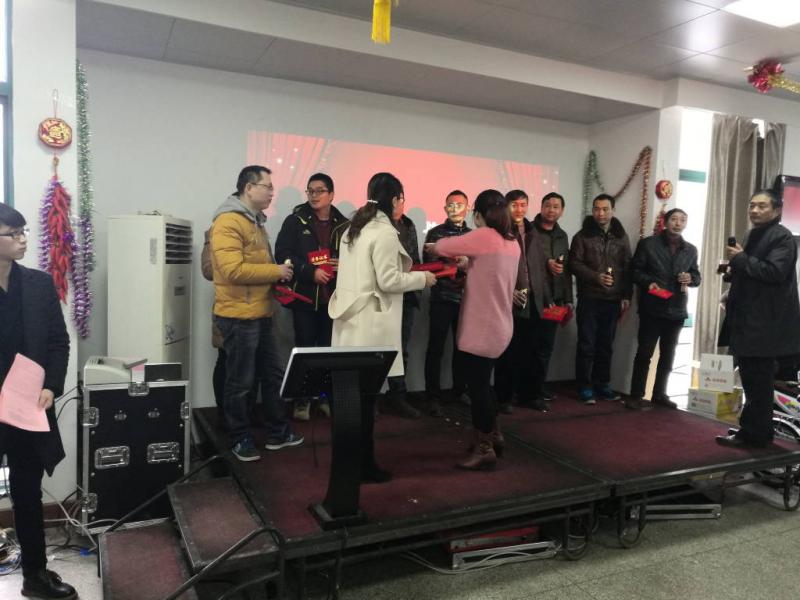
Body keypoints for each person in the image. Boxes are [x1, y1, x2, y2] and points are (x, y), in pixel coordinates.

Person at [329, 172, 436, 482]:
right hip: (372, 326)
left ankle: (354, 461)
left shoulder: (354, 227)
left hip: (351, 322)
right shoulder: (384, 232)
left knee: (354, 401)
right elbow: (389, 281)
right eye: (401, 198)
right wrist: (422, 278)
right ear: (395, 199)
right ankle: (364, 465)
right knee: (365, 401)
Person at [0, 204, 77, 599]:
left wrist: (51, 385)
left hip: (27, 407)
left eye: (24, 232)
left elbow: (58, 343)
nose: (23, 240)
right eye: (13, 234)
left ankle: (35, 576)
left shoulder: (39, 284)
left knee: (27, 492)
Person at [210, 165, 303, 461]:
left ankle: (278, 433)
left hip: (261, 312)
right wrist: (275, 271)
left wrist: (276, 280)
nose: (272, 192)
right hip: (238, 316)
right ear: (249, 188)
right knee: (240, 383)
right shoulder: (228, 221)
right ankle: (239, 438)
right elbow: (232, 270)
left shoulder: (255, 222)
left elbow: (255, 267)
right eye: (268, 186)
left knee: (273, 375)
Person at [428, 190, 520, 471]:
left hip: (482, 327)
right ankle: (494, 435)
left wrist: (433, 246)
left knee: (478, 389)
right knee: (484, 384)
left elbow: (443, 246)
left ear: (478, 213)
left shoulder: (484, 236)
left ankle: (484, 448)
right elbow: (491, 270)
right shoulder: (510, 242)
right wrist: (469, 263)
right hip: (500, 325)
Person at [716, 189, 800, 448]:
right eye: (752, 205)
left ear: (777, 210)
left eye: (762, 206)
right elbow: (753, 271)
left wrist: (740, 259)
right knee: (751, 380)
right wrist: (732, 272)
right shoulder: (753, 234)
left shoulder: (783, 237)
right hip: (748, 320)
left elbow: (774, 272)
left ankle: (757, 436)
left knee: (758, 382)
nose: (754, 210)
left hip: (765, 324)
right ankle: (751, 430)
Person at [275, 173, 348, 420]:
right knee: (305, 350)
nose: (314, 196)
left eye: (319, 191)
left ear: (331, 194)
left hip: (334, 300)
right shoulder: (295, 220)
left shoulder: (344, 224)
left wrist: (344, 264)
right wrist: (309, 272)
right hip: (304, 298)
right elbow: (282, 254)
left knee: (329, 350)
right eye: (310, 191)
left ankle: (324, 397)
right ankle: (302, 399)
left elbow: (356, 257)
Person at [627, 208, 700, 410]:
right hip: (652, 307)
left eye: (682, 220)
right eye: (674, 219)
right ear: (665, 222)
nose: (678, 223)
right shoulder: (648, 244)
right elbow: (634, 271)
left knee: (668, 355)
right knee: (644, 354)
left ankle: (660, 394)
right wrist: (648, 282)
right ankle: (636, 395)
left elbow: (697, 277)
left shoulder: (690, 249)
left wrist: (690, 278)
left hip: (676, 310)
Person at [569, 193, 632, 405]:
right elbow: (574, 264)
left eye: (605, 209)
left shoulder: (621, 236)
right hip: (589, 297)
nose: (600, 213)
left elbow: (627, 266)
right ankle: (584, 386)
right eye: (597, 209)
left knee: (606, 345)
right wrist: (596, 277)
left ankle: (602, 384)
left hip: (613, 299)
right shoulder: (582, 236)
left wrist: (627, 294)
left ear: (613, 210)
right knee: (587, 344)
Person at [494, 190, 551, 414]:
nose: (519, 209)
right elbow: (495, 271)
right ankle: (504, 398)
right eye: (514, 205)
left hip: (534, 300)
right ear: (506, 206)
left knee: (533, 352)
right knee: (509, 353)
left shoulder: (532, 231)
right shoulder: (500, 233)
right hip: (510, 300)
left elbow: (539, 269)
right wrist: (509, 292)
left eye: (523, 205)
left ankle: (530, 395)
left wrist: (547, 299)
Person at [422, 190, 471, 417]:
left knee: (463, 349)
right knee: (436, 349)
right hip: (441, 298)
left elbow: (481, 266)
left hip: (468, 300)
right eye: (450, 204)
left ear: (468, 208)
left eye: (459, 204)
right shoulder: (436, 233)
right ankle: (432, 396)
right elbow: (429, 264)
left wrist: (467, 264)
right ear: (444, 208)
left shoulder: (473, 236)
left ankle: (460, 390)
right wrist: (457, 263)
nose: (455, 208)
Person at [384, 188, 424, 419]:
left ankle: (398, 395)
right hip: (383, 296)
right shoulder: (377, 226)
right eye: (395, 200)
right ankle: (371, 396)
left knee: (401, 350)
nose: (399, 204)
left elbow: (414, 259)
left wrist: (417, 283)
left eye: (401, 199)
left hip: (406, 296)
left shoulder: (408, 225)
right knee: (377, 348)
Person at [533, 192, 574, 402]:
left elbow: (565, 270)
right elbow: (523, 263)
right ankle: (523, 390)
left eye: (556, 206)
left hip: (555, 300)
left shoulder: (562, 236)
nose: (551, 210)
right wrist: (545, 263)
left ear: (562, 211)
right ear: (541, 207)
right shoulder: (529, 231)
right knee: (528, 346)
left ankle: (538, 387)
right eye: (547, 205)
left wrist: (568, 299)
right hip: (533, 298)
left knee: (546, 347)